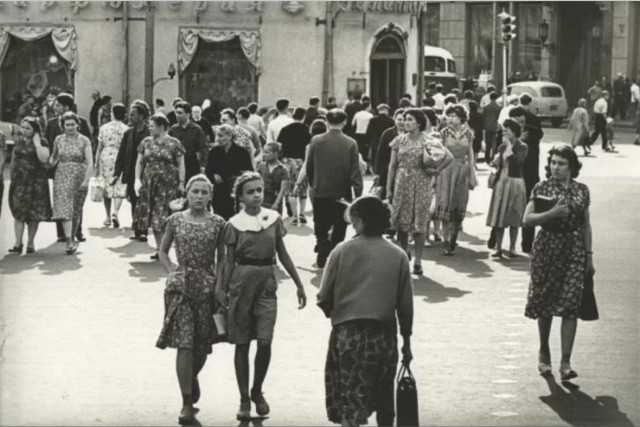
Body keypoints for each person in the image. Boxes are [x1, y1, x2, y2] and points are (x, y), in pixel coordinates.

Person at [317, 195, 414, 427]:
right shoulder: (398, 255)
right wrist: (406, 341)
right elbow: (405, 306)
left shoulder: (341, 251)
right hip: (383, 336)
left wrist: (338, 311)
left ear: (359, 221)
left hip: (348, 335)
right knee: (384, 399)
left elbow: (323, 297)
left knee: (351, 400)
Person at [217, 172, 307, 420]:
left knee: (265, 341)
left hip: (267, 280)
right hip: (241, 281)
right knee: (242, 342)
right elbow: (227, 260)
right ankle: (244, 398)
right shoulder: (234, 224)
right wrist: (221, 289)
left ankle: (257, 390)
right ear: (241, 197)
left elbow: (283, 252)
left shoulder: (273, 219)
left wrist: (299, 283)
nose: (256, 195)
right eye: (250, 191)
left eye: (259, 190)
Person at [156, 174, 226, 426]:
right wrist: (172, 272)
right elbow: (162, 251)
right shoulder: (175, 220)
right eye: (195, 191)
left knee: (201, 345)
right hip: (181, 288)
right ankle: (186, 402)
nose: (199, 196)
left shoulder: (218, 223)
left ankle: (191, 377)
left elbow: (223, 257)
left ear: (210, 196)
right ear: (187, 193)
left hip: (207, 287)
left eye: (204, 192)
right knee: (184, 344)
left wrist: (220, 286)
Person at [523, 144, 594, 380]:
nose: (555, 167)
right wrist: (551, 214)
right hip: (547, 247)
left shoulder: (582, 190)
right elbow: (527, 219)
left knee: (570, 303)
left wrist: (589, 255)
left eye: (561, 163)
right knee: (545, 302)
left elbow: (586, 224)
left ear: (571, 166)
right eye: (553, 162)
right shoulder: (542, 187)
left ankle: (565, 361)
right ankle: (544, 350)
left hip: (573, 248)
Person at [387, 109, 451, 274]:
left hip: (421, 182)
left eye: (410, 120)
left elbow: (448, 157)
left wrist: (436, 171)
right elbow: (392, 165)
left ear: (419, 123)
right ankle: (403, 254)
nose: (405, 122)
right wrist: (389, 187)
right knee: (402, 221)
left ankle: (418, 260)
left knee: (419, 223)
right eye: (405, 119)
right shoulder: (398, 141)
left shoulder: (428, 140)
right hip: (402, 182)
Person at [306, 109, 364, 268]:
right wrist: (358, 192)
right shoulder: (351, 143)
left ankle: (322, 241)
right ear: (344, 122)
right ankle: (335, 250)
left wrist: (313, 183)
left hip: (321, 188)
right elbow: (355, 171)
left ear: (326, 121)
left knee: (320, 220)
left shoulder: (316, 141)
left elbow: (309, 166)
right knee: (340, 222)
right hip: (341, 190)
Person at [133, 114, 186, 260]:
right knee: (154, 215)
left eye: (152, 125)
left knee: (167, 216)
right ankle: (160, 249)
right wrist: (137, 180)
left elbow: (181, 164)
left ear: (161, 127)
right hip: (150, 183)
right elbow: (140, 162)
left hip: (169, 184)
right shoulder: (146, 142)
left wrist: (182, 182)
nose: (149, 128)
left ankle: (168, 248)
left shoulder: (174, 143)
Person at [44, 93, 92, 243]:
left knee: (76, 202)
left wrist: (87, 174)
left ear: (66, 106)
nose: (55, 107)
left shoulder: (82, 123)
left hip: (78, 169)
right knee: (61, 201)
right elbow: (49, 146)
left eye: (58, 105)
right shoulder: (52, 123)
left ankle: (77, 231)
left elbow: (88, 148)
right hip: (60, 169)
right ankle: (62, 234)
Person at [433, 104, 478, 255]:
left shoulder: (469, 133)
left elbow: (470, 156)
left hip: (462, 170)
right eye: (449, 116)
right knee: (445, 203)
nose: (451, 119)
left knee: (459, 203)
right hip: (446, 170)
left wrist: (472, 175)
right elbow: (438, 154)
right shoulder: (444, 133)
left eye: (454, 116)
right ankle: (446, 240)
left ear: (462, 117)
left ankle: (453, 237)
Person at [7, 118, 52, 253]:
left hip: (37, 182)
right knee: (18, 212)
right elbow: (14, 160)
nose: (24, 130)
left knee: (34, 214)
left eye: (28, 128)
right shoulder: (18, 142)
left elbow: (44, 158)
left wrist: (37, 143)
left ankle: (31, 242)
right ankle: (17, 242)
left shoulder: (42, 142)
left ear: (35, 130)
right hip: (20, 181)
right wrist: (11, 178)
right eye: (23, 127)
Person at [486, 118, 528, 258]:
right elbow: (499, 164)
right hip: (501, 183)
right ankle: (498, 247)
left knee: (514, 216)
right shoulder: (501, 147)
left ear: (514, 132)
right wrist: (496, 162)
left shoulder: (522, 146)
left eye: (507, 131)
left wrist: (509, 146)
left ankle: (512, 247)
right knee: (499, 217)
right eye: (503, 130)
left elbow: (518, 162)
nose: (504, 133)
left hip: (515, 183)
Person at [112, 100, 151, 241]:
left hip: (147, 172)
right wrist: (116, 174)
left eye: (133, 115)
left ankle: (143, 231)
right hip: (131, 172)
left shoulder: (150, 132)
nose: (130, 117)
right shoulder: (128, 133)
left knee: (144, 201)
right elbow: (121, 154)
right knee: (134, 200)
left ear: (141, 116)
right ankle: (137, 229)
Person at [205, 124, 254, 220]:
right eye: (216, 135)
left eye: (221, 136)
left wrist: (237, 179)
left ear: (230, 136)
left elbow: (248, 172)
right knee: (219, 217)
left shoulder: (241, 152)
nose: (217, 139)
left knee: (236, 218)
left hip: (236, 191)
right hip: (219, 191)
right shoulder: (214, 152)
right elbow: (208, 170)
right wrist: (213, 176)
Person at [95, 103, 129, 228]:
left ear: (112, 114)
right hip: (121, 156)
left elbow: (99, 147)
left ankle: (108, 216)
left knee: (107, 186)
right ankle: (116, 212)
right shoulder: (126, 129)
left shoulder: (104, 128)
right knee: (119, 185)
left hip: (106, 156)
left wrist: (96, 163)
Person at [278, 107, 311, 224]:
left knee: (290, 190)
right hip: (302, 162)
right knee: (303, 189)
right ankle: (302, 213)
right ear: (303, 116)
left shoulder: (285, 129)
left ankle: (294, 216)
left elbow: (280, 146)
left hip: (287, 161)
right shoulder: (307, 130)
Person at [169, 102, 208, 183]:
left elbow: (203, 148)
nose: (177, 115)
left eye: (180, 113)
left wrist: (202, 165)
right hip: (176, 164)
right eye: (176, 112)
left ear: (188, 114)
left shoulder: (196, 129)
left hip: (191, 164)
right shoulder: (173, 129)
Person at [374, 108, 405, 200]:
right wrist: (377, 172)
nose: (402, 122)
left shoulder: (411, 134)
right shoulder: (387, 134)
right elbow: (379, 154)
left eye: (404, 119)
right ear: (394, 120)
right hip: (387, 169)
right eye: (399, 119)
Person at [256, 142, 289, 213]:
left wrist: (276, 203)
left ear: (275, 154)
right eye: (263, 152)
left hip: (275, 199)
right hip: (262, 199)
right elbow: (255, 182)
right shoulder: (261, 166)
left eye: (267, 152)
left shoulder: (283, 169)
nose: (264, 155)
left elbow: (283, 189)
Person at [366, 104, 395, 170]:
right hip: (387, 142)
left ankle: (375, 171)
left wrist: (368, 142)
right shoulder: (391, 120)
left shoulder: (373, 120)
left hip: (375, 142)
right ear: (386, 110)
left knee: (375, 159)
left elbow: (369, 132)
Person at [352, 97, 374, 167]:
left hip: (358, 133)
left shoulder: (357, 114)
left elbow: (353, 124)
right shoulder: (370, 115)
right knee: (366, 151)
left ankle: (359, 165)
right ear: (367, 107)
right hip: (366, 134)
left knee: (359, 150)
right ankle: (366, 166)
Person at [482, 92, 502, 163]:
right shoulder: (499, 107)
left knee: (488, 143)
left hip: (487, 126)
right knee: (494, 143)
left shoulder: (486, 107)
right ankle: (493, 157)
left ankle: (487, 157)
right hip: (495, 126)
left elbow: (483, 116)